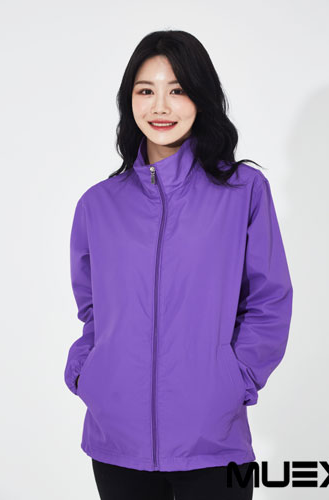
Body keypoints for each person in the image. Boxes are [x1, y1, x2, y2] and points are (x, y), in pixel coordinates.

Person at [64, 30, 293, 500]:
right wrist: (89, 372)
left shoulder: (243, 192)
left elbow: (269, 300)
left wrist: (234, 380)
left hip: (212, 442)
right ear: (129, 100)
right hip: (115, 441)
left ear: (200, 98)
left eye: (177, 90)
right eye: (145, 91)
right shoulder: (98, 204)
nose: (161, 106)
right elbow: (93, 309)